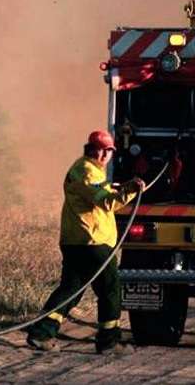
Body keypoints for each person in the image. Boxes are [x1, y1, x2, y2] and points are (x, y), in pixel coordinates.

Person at [26, 130, 145, 354]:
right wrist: (131, 190)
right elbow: (107, 203)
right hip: (92, 243)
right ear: (93, 150)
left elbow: (105, 197)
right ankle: (109, 342)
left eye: (108, 151)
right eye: (102, 150)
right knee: (110, 288)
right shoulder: (88, 172)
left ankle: (41, 333)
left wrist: (125, 187)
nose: (105, 155)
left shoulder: (87, 170)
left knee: (71, 289)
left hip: (77, 241)